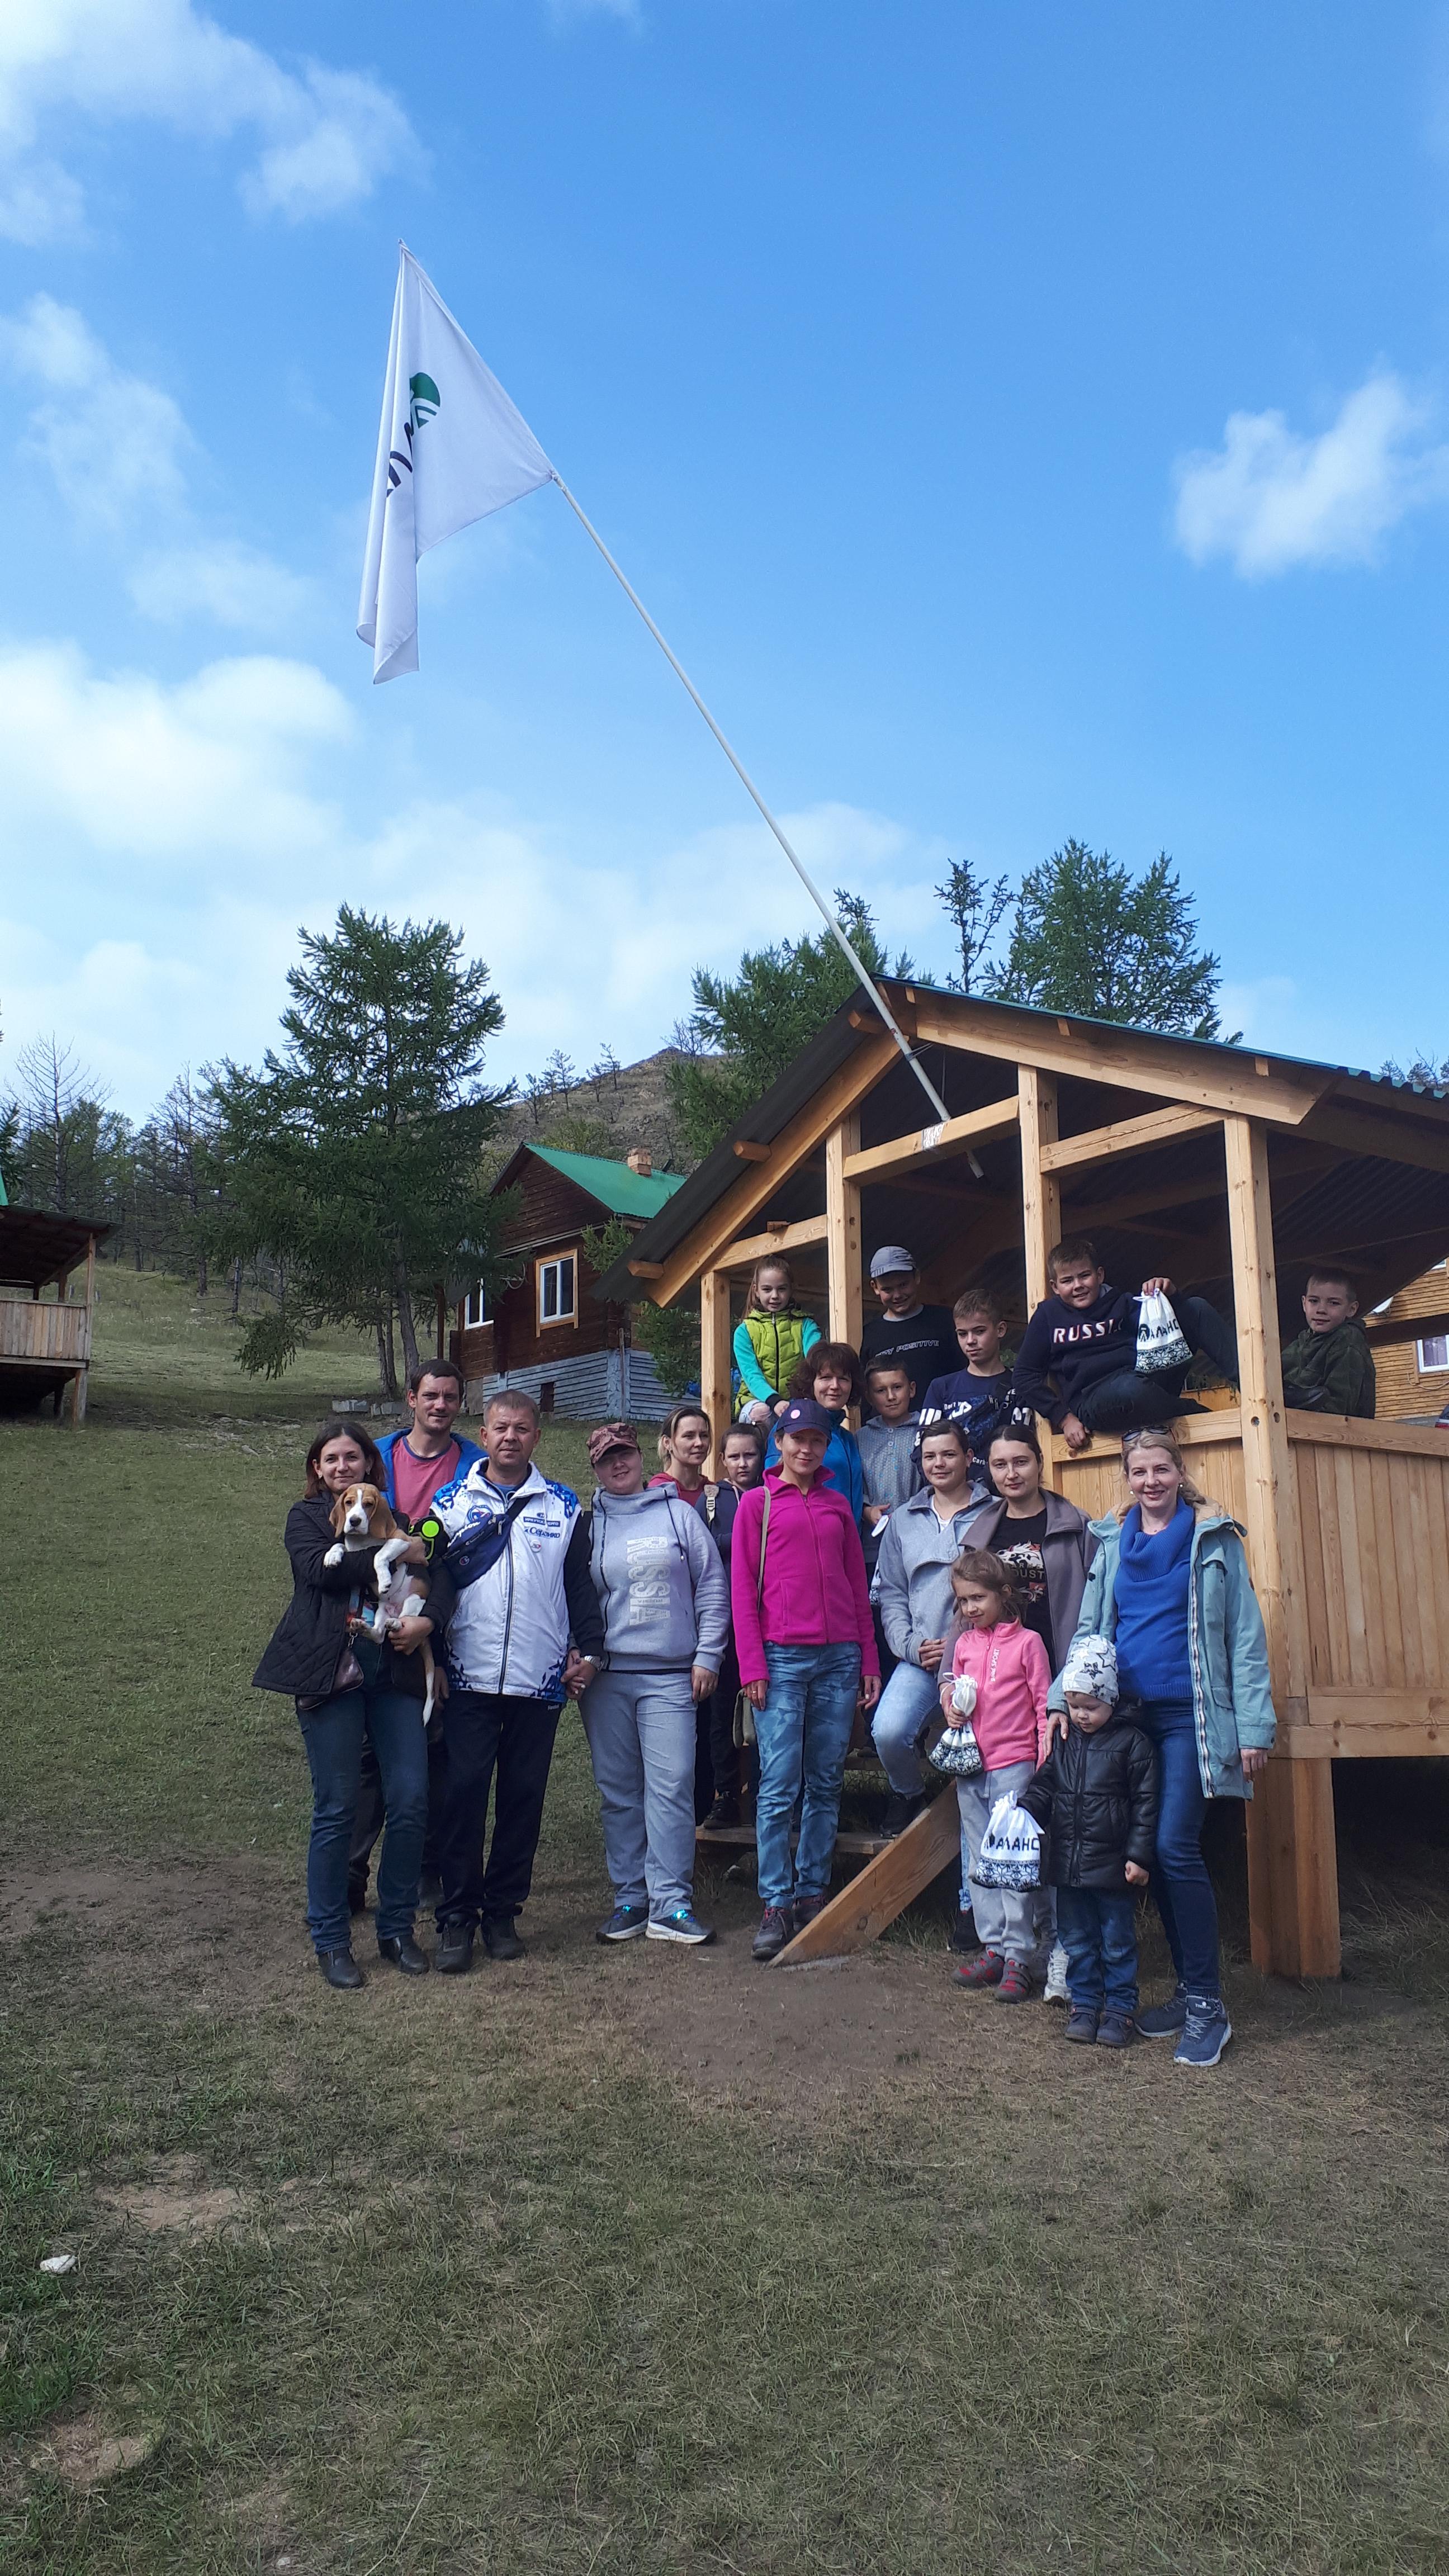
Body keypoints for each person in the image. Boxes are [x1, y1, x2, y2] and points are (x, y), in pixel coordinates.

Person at [1050, 1426, 1276, 2067]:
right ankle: (1184, 1991)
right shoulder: (1113, 1541)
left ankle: (1207, 2005)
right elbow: (1091, 1627)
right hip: (1124, 1722)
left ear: (1180, 1472)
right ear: (1127, 1478)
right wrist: (1061, 1698)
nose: (1150, 1481)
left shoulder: (1214, 1539)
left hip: (1188, 1719)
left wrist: (1254, 1728)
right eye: (1139, 1472)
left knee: (1175, 1847)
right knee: (1147, 1851)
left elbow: (1245, 1638)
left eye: (1161, 1470)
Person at [253, 1419, 449, 1990]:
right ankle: (331, 1939)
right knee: (337, 1806)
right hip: (330, 1674)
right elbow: (318, 1571)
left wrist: (429, 1616)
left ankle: (396, 1930)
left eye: (353, 1458)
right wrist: (400, 1548)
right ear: (318, 1469)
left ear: (369, 1464)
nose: (343, 1467)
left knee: (410, 1799)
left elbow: (440, 1573)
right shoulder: (307, 1518)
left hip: (394, 1675)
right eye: (332, 1459)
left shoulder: (392, 1512)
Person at [425, 1391, 605, 1973]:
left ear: (536, 1437)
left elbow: (579, 1585)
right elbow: (432, 1587)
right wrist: (433, 1662)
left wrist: (591, 1651)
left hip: (539, 1680)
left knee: (522, 1801)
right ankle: (457, 1919)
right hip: (467, 1680)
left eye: (522, 1429)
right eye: (501, 1427)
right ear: (483, 1434)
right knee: (462, 1799)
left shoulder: (564, 1505)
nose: (510, 1437)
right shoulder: (449, 1503)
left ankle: (502, 1914)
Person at [732, 1396, 880, 1962]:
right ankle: (775, 1901)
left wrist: (868, 1660)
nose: (807, 1449)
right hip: (782, 1660)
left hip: (839, 1659)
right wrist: (752, 1666)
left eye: (817, 1440)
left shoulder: (838, 1506)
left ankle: (812, 1892)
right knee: (778, 1785)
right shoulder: (758, 1504)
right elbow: (743, 1591)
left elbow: (856, 1588)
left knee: (825, 1780)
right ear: (780, 1444)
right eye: (798, 1439)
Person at [580, 1422, 730, 1946]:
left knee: (673, 1786)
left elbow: (711, 1585)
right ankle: (630, 1898)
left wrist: (708, 1654)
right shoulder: (587, 1525)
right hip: (607, 1679)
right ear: (595, 1467)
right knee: (619, 1791)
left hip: (671, 1675)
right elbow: (573, 1598)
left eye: (624, 1454)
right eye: (607, 1459)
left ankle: (671, 1903)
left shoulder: (679, 1514)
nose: (618, 1464)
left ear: (642, 1456)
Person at [349, 1356, 482, 1916]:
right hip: (371, 1608)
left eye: (450, 1397)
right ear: (411, 1399)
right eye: (430, 1395)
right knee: (367, 1755)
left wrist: (437, 1634)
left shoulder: (474, 1464)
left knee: (433, 1746)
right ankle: (351, 1871)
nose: (440, 1405)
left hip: (442, 1609)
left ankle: (427, 1868)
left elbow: (461, 1558)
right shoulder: (376, 1456)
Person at [1016, 1636, 1159, 2048]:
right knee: (1078, 1941)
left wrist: (1138, 1855)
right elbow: (1045, 1785)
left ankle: (1119, 2009)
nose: (1081, 1715)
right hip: (1068, 1865)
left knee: (1116, 1943)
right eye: (1074, 1705)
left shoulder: (1134, 1745)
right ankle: (1085, 2004)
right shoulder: (1064, 1741)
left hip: (1113, 1868)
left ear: (1111, 1698)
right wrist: (1025, 1810)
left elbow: (1146, 1805)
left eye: (1091, 1707)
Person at [939, 1549, 1052, 2004]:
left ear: (1004, 1594)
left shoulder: (1029, 1644)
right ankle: (994, 1948)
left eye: (978, 1598)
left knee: (1012, 1862)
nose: (970, 1608)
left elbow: (1044, 1704)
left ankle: (1020, 1955)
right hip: (972, 1768)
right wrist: (951, 1708)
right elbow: (955, 1692)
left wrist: (1044, 1760)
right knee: (980, 1863)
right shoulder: (964, 1646)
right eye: (963, 1601)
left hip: (1015, 1766)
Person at [1012, 1237, 1240, 1453]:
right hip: (1095, 1398)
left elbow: (1170, 1328)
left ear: (1100, 1275)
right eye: (1067, 1281)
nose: (1078, 1285)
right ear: (1055, 1287)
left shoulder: (1123, 1302)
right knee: (1130, 1388)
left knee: (1196, 1308)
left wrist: (1171, 1294)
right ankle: (1194, 1411)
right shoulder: (1048, 1316)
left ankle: (1252, 1391)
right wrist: (1064, 1418)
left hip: (1144, 1380)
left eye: (1084, 1276)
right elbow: (1024, 1376)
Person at [871, 1420, 983, 1850]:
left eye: (949, 1454)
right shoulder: (903, 1520)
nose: (939, 1464)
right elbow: (892, 1593)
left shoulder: (992, 1511)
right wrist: (911, 1646)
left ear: (968, 1458)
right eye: (930, 1456)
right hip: (924, 1656)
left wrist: (964, 1646)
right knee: (888, 1731)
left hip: (979, 1658)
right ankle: (908, 1793)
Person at [959, 1423, 1097, 1679]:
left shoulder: (1076, 1525)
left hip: (1064, 1667)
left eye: (1021, 1462)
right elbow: (964, 1610)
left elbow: (1098, 1601)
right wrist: (948, 1678)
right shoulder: (980, 1536)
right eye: (1000, 1465)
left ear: (1040, 1462)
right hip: (1001, 1678)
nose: (1011, 1474)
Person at [698, 1422, 765, 1827]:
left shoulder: (773, 1494)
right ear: (722, 1460)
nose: (743, 1464)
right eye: (734, 1456)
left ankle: (761, 1792)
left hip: (766, 1623)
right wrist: (741, 1537)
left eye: (750, 1455)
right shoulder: (711, 1501)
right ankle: (725, 1796)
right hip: (724, 1624)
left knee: (763, 1709)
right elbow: (699, 1550)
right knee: (722, 1712)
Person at [916, 1290, 1030, 1481]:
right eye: (962, 1334)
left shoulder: (1019, 1387)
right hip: (948, 1494)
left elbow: (1022, 1448)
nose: (970, 1341)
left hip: (1001, 1493)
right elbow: (921, 1448)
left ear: (1001, 1330)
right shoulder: (941, 1387)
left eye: (979, 1331)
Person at [763, 1342, 866, 1527]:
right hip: (809, 1536)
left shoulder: (847, 1438)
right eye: (826, 1378)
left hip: (848, 1539)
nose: (835, 1386)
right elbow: (776, 1491)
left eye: (843, 1379)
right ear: (811, 1382)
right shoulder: (790, 1427)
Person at [859, 1247, 960, 1417]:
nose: (897, 1295)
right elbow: (865, 1396)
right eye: (888, 1289)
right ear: (875, 1287)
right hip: (889, 1430)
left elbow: (965, 1374)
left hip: (943, 1425)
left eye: (903, 1285)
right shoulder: (869, 1335)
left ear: (917, 1277)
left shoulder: (945, 1321)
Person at [732, 1255, 822, 1426]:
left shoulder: (806, 1326)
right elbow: (751, 1375)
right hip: (756, 1400)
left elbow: (816, 1362)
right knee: (761, 1413)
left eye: (782, 1289)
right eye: (767, 1289)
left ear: (791, 1289)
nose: (775, 1296)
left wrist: (804, 1396)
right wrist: (774, 1400)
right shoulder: (744, 1332)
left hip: (794, 1400)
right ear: (756, 1290)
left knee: (807, 1414)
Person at [1280, 1267, 1376, 1417]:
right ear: (1304, 1304)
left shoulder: (1348, 1339)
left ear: (1351, 1309)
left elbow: (1339, 1407)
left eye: (1333, 1303)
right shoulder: (1300, 1343)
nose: (1321, 1309)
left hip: (1332, 1428)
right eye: (1314, 1301)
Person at [858, 1359, 924, 1566]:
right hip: (873, 1544)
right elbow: (855, 1485)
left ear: (911, 1389)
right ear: (869, 1397)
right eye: (881, 1391)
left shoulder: (926, 1431)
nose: (891, 1397)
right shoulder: (861, 1437)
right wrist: (867, 1511)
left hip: (918, 1537)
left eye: (897, 1387)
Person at [651, 1404, 714, 1510]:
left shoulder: (713, 1491)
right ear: (667, 1443)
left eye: (704, 1436)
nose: (699, 1443)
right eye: (689, 1436)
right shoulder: (658, 1490)